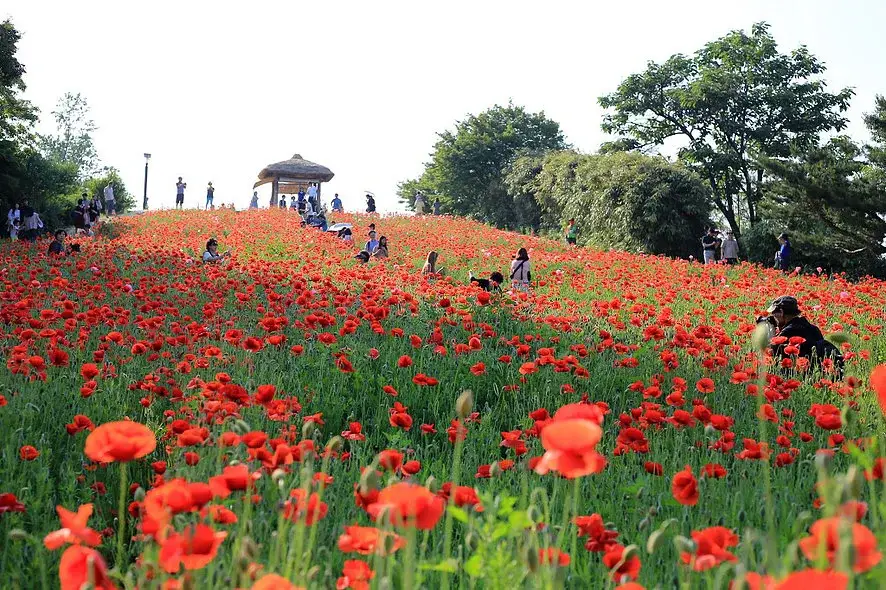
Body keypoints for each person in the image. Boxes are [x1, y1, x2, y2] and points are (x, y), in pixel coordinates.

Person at [757, 296, 843, 378]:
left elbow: (772, 355)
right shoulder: (813, 328)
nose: (773, 316)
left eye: (774, 313)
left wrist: (771, 334)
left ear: (781, 312)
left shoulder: (788, 331)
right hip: (815, 374)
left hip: (796, 377)